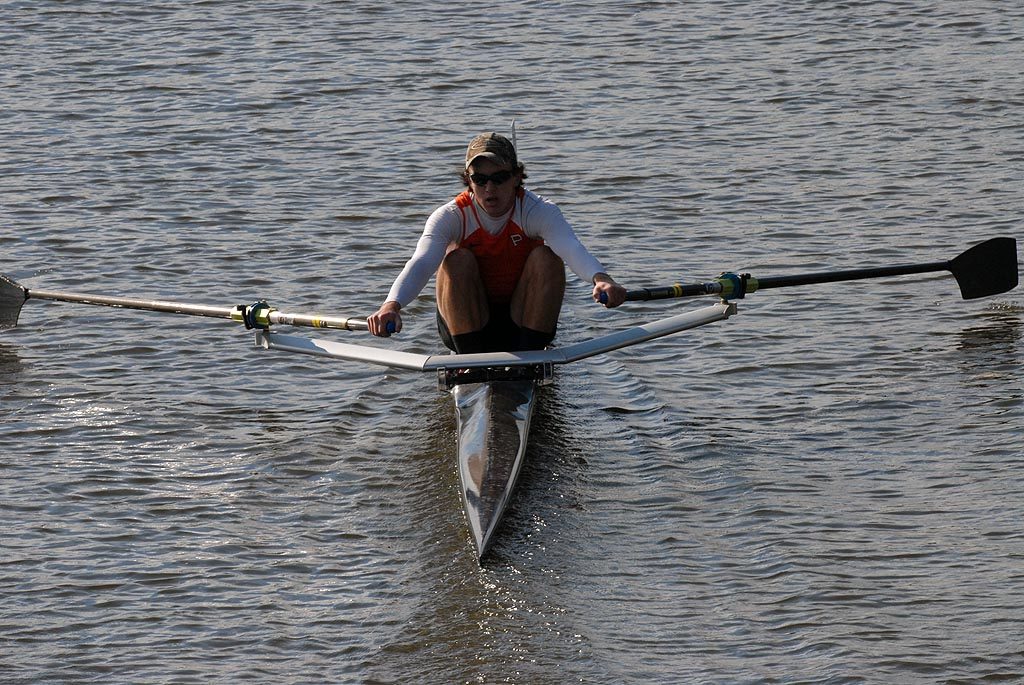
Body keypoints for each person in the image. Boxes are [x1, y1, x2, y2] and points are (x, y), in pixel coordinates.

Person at [366, 131, 627, 353]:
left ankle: (529, 358)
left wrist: (601, 279)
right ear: (469, 181)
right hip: (468, 323)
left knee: (547, 258)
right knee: (455, 260)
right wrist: (391, 305)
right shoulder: (451, 216)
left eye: (499, 178)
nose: (490, 188)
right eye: (480, 179)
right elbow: (422, 263)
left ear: (516, 178)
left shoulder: (538, 211)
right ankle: (470, 361)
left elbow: (571, 248)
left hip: (523, 319)